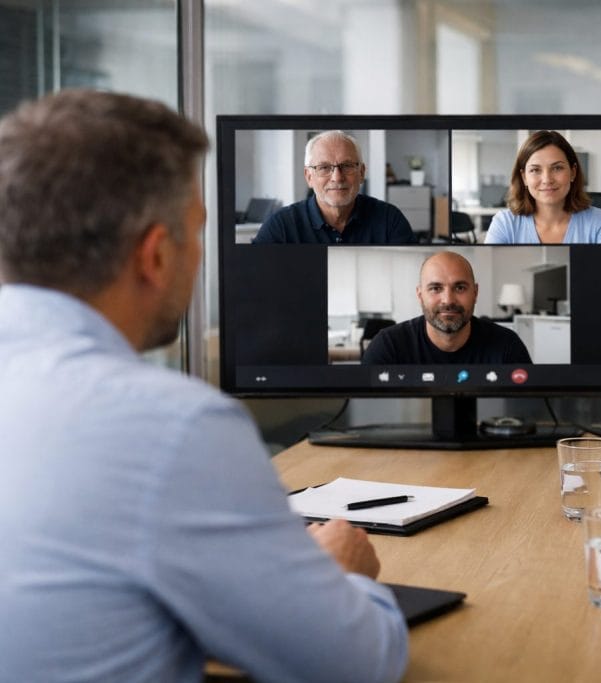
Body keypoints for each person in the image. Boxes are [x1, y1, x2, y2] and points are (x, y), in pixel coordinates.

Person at [0, 90, 407, 682]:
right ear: (155, 254)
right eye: (197, 232)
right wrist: (339, 571)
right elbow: (357, 662)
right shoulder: (169, 426)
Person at [362, 251, 532, 364]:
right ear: (420, 295)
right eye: (435, 288)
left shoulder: (507, 345)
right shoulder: (388, 346)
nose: (448, 300)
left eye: (459, 288)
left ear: (475, 292)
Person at [252, 130, 416, 244]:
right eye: (324, 168)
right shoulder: (280, 226)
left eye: (347, 166)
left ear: (362, 173)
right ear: (309, 177)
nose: (337, 177)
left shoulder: (390, 220)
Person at [484, 130, 601, 244]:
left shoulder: (600, 222)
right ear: (524, 177)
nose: (547, 180)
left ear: (573, 172)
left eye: (557, 168)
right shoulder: (504, 223)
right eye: (535, 170)